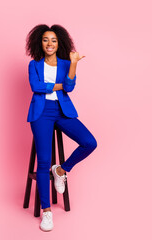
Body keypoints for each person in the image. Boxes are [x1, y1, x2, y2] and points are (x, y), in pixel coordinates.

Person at [25, 24, 97, 232]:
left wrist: (74, 64)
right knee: (43, 160)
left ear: (59, 43)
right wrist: (58, 86)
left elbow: (70, 87)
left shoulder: (67, 63)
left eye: (54, 40)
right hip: (41, 113)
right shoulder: (34, 64)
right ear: (40, 42)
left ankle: (61, 169)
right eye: (46, 39)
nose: (50, 43)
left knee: (89, 142)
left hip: (63, 111)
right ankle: (47, 212)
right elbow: (35, 87)